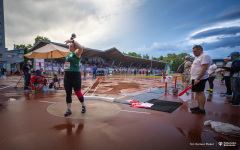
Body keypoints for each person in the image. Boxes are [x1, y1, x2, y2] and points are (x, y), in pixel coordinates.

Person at [64, 36, 86, 116]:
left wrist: (72, 40)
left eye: (71, 46)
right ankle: (68, 109)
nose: (70, 47)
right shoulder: (68, 54)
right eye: (69, 46)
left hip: (75, 75)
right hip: (67, 75)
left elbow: (81, 48)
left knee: (77, 92)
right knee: (68, 93)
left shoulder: (76, 53)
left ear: (74, 47)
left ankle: (83, 105)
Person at [190, 45, 212, 114]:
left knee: (200, 92)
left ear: (200, 50)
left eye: (195, 51)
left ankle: (202, 109)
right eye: (193, 52)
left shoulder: (205, 56)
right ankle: (199, 106)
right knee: (197, 92)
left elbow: (204, 68)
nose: (194, 53)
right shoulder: (199, 57)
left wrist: (198, 78)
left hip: (199, 78)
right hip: (195, 77)